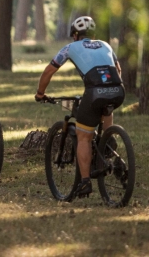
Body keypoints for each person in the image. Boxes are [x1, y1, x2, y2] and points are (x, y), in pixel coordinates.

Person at [34, 15, 125, 198]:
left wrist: (40, 93)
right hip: (118, 90)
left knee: (83, 136)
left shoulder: (70, 47)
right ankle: (108, 141)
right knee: (105, 107)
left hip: (94, 92)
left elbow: (49, 70)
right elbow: (118, 68)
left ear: (75, 35)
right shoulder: (105, 45)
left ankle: (84, 182)